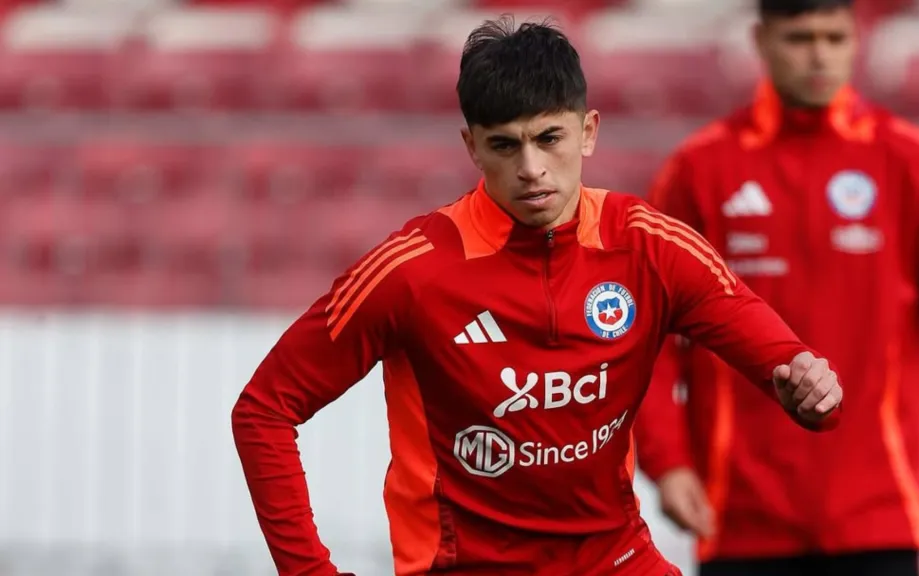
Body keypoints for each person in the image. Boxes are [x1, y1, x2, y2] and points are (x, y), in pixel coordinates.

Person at [231, 16, 844, 576]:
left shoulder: (648, 244)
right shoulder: (413, 269)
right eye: (505, 145)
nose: (531, 168)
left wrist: (807, 391)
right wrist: (309, 571)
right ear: (472, 147)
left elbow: (787, 364)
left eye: (549, 138)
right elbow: (263, 410)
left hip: (614, 557)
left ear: (588, 132)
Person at [633, 1, 919, 575]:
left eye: (834, 38)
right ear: (761, 41)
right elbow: (649, 332)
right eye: (800, 38)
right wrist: (667, 463)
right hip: (740, 517)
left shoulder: (908, 160)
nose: (820, 56)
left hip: (878, 512)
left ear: (855, 41)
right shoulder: (701, 169)